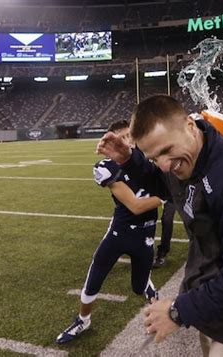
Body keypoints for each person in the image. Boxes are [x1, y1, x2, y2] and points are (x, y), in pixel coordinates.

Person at [96, 95, 223, 356]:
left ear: (190, 125)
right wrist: (129, 160)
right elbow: (164, 182)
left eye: (166, 151)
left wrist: (178, 311)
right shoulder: (189, 158)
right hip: (214, 305)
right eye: (154, 158)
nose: (164, 165)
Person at [56, 119, 162, 344]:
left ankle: (150, 290)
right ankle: (83, 320)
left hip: (146, 234)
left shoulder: (149, 160)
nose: (125, 141)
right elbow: (134, 206)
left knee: (138, 286)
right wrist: (167, 195)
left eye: (128, 136)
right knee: (94, 277)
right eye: (120, 137)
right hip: (120, 233)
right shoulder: (106, 167)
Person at [153, 200, 176, 268]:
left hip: (170, 194)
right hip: (156, 192)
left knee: (167, 220)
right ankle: (145, 247)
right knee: (149, 216)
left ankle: (162, 252)